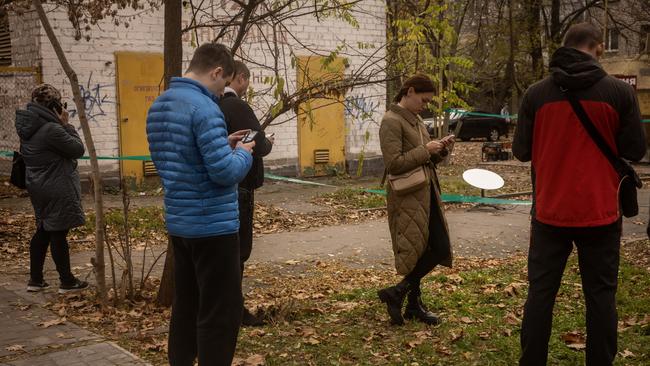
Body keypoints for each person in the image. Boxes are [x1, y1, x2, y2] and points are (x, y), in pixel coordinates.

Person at [513, 23, 646, 366]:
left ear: (565, 46)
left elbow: (521, 151)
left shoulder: (536, 94)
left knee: (541, 295)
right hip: (601, 212)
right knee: (601, 296)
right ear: (599, 48)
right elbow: (634, 148)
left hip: (548, 213)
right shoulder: (619, 93)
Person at [146, 43, 255, 366]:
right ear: (217, 72)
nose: (223, 92)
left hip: (181, 223)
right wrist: (243, 153)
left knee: (186, 306)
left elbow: (180, 159)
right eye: (224, 83)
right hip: (213, 226)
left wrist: (224, 144)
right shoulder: (205, 108)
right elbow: (225, 172)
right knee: (221, 312)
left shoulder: (161, 104)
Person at [377, 74, 454, 326]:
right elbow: (394, 164)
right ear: (409, 92)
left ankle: (409, 302)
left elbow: (425, 159)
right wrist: (426, 150)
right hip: (408, 197)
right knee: (426, 249)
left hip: (426, 192)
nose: (425, 105)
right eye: (423, 99)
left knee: (429, 248)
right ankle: (400, 294)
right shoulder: (391, 121)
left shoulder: (416, 120)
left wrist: (440, 150)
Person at [15, 84, 89, 294]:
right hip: (56, 184)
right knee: (58, 231)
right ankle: (67, 281)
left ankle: (35, 280)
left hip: (38, 184)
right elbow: (77, 149)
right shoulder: (51, 129)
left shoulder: (29, 127)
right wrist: (66, 124)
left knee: (44, 230)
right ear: (54, 105)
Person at [220, 60, 274, 327]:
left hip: (219, 189)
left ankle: (225, 307)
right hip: (239, 187)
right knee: (239, 251)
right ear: (239, 78)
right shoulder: (237, 106)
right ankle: (234, 310)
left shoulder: (211, 106)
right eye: (247, 81)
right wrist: (267, 143)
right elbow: (258, 143)